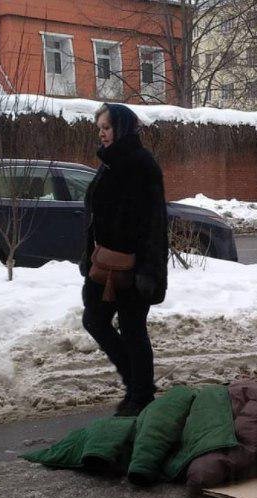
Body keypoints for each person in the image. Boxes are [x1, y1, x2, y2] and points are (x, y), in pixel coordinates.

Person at [80, 103, 169, 417]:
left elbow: (155, 223)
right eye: (100, 128)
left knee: (133, 329)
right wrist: (87, 255)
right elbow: (96, 217)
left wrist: (148, 270)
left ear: (121, 128)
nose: (102, 133)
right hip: (103, 265)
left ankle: (140, 395)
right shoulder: (109, 164)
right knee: (94, 320)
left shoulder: (143, 165)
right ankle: (135, 382)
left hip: (134, 268)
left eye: (106, 127)